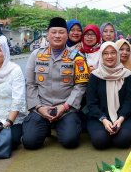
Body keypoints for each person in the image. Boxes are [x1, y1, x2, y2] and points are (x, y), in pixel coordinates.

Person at [22, 17, 90, 150]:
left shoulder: (78, 57)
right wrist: (39, 108)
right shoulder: (36, 55)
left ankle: (61, 125)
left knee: (70, 141)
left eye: (61, 32)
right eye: (54, 32)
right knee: (30, 142)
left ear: (67, 35)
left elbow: (80, 86)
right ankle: (45, 125)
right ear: (47, 34)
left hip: (66, 109)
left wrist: (64, 107)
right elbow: (30, 84)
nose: (57, 35)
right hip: (41, 107)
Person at [86, 41, 131, 149]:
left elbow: (128, 101)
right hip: (99, 117)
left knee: (123, 140)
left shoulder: (126, 74)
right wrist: (104, 119)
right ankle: (106, 131)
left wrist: (120, 119)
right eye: (105, 53)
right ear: (101, 56)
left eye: (113, 52)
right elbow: (91, 103)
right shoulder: (95, 76)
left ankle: (116, 130)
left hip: (122, 117)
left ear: (117, 54)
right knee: (100, 141)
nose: (109, 56)